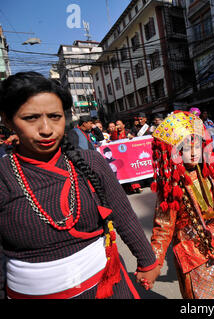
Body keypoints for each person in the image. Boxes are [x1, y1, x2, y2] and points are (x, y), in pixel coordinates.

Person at [0, 72, 160, 299]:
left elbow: (123, 214)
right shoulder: (4, 177)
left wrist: (147, 261)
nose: (46, 129)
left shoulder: (90, 162)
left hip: (107, 286)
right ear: (7, 120)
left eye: (55, 116)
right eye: (31, 118)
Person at [150, 111, 214, 299]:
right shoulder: (171, 185)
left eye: (197, 147)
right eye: (186, 149)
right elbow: (163, 227)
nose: (193, 153)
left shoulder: (210, 172)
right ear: (176, 151)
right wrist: (154, 263)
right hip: (191, 253)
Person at [110, 120, 142, 194]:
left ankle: (136, 186)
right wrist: (114, 131)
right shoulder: (115, 134)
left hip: (129, 156)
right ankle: (128, 188)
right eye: (116, 125)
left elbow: (135, 139)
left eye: (119, 124)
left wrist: (132, 137)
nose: (118, 126)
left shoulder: (128, 132)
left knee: (132, 170)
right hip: (120, 157)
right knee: (123, 172)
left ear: (123, 125)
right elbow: (113, 139)